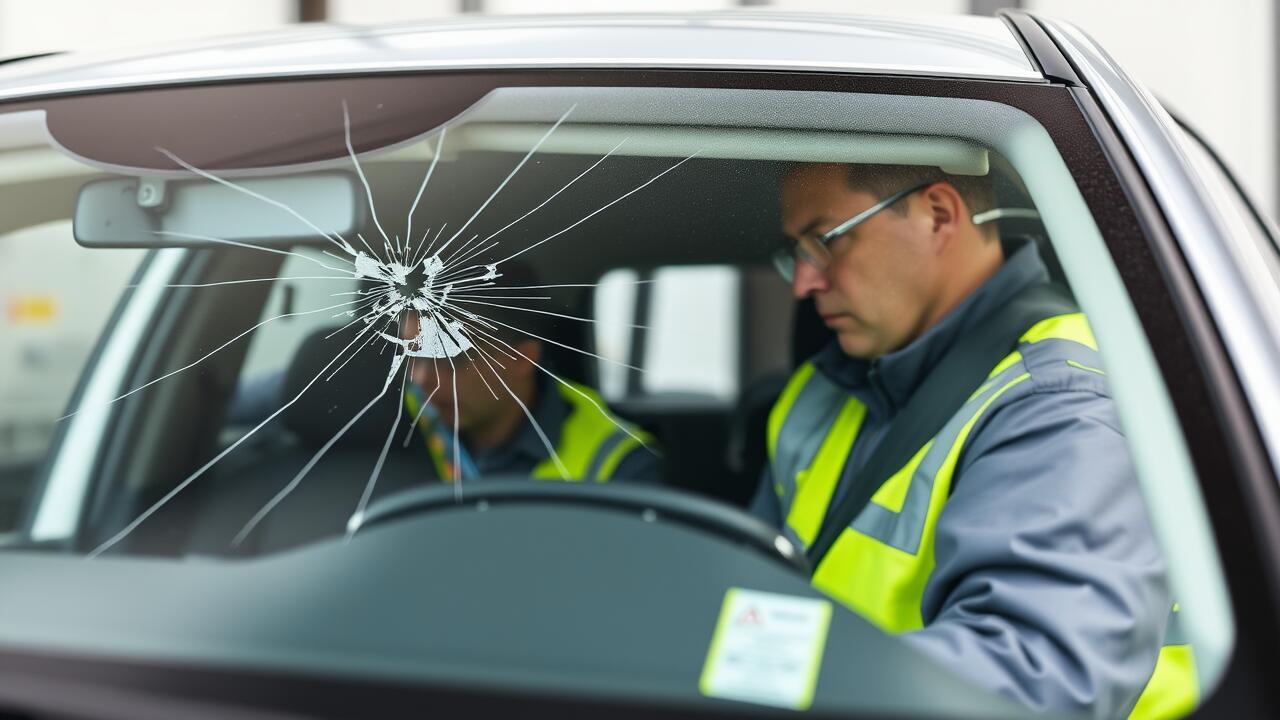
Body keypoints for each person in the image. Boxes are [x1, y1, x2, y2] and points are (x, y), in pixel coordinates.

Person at [749, 162, 1193, 718]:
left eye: (825, 240)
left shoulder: (1061, 404)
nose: (803, 282)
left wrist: (776, 683)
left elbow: (1035, 678)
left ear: (938, 216)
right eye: (798, 250)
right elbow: (748, 591)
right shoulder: (815, 395)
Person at [399, 270, 662, 485]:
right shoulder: (389, 419)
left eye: (448, 357)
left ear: (522, 358)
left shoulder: (621, 466)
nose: (420, 379)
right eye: (411, 354)